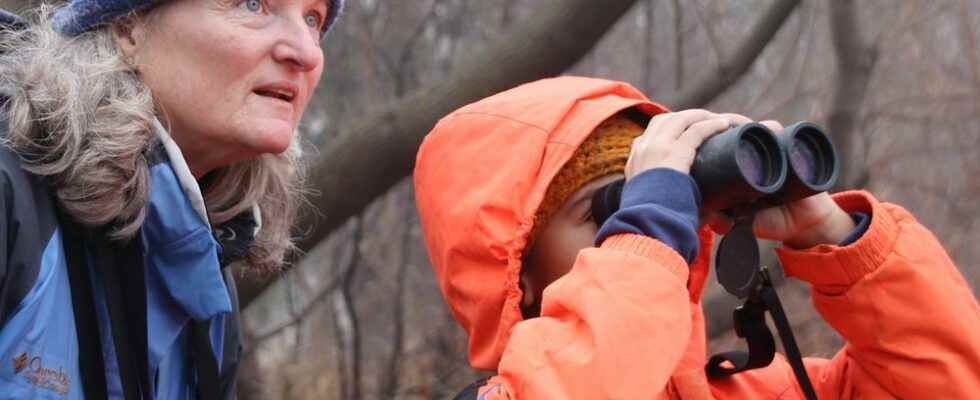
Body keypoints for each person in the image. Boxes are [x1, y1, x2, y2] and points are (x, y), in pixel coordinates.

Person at [413, 76, 980, 399]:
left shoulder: (767, 390)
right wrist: (648, 233)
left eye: (667, 204)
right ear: (521, 274)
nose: (655, 229)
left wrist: (841, 242)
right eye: (610, 211)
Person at [0, 0, 343, 398]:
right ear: (129, 28)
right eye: (253, 4)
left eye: (313, 18)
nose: (305, 52)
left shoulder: (204, 263)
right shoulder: (11, 193)